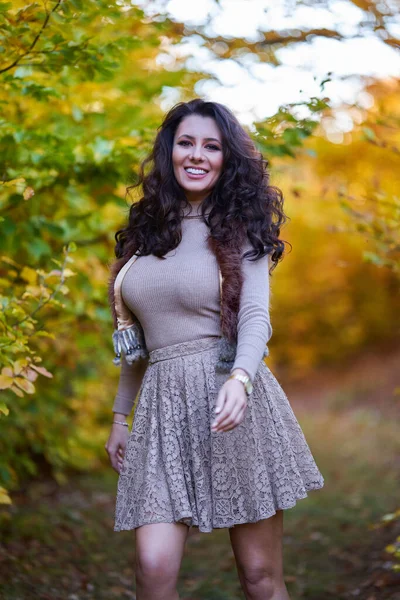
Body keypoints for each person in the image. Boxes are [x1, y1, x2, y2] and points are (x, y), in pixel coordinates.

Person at [105, 98, 324, 600]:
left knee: (259, 577)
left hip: (231, 401)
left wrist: (241, 379)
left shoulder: (239, 226)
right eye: (186, 143)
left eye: (212, 145)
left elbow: (253, 316)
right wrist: (121, 418)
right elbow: (134, 341)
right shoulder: (144, 234)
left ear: (227, 158)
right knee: (152, 565)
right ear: (170, 151)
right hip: (161, 411)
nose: (197, 155)